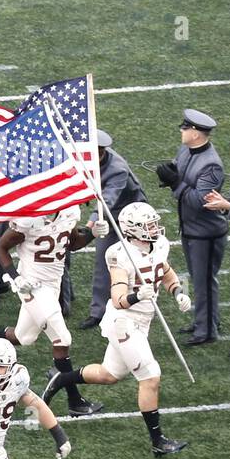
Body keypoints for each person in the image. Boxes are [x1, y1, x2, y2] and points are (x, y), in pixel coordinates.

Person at [43, 201, 190, 456]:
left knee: (109, 374)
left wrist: (177, 292)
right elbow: (119, 298)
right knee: (150, 376)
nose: (155, 228)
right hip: (124, 320)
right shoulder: (120, 255)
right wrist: (138, 295)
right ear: (133, 229)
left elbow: (164, 270)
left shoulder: (159, 245)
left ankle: (61, 378)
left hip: (142, 320)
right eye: (149, 225)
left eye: (154, 223)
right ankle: (158, 441)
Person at [0, 208, 105, 416]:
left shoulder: (68, 212)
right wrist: (16, 277)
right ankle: (74, 400)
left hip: (52, 284)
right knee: (62, 340)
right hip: (31, 285)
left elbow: (73, 244)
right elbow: (1, 247)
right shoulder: (28, 218)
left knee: (24, 336)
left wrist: (92, 234)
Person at [154, 109, 225, 346]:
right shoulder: (186, 149)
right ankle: (203, 321)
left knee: (204, 281)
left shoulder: (212, 165)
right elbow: (179, 169)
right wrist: (169, 175)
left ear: (196, 133)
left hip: (206, 232)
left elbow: (200, 202)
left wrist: (176, 183)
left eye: (185, 128)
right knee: (198, 279)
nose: (181, 130)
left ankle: (206, 331)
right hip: (191, 228)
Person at [83, 129, 146, 329]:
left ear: (101, 152)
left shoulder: (117, 168)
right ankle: (98, 312)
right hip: (110, 214)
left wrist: (89, 225)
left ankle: (138, 302)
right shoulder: (85, 159)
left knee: (137, 262)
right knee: (105, 260)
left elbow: (107, 200)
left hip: (129, 216)